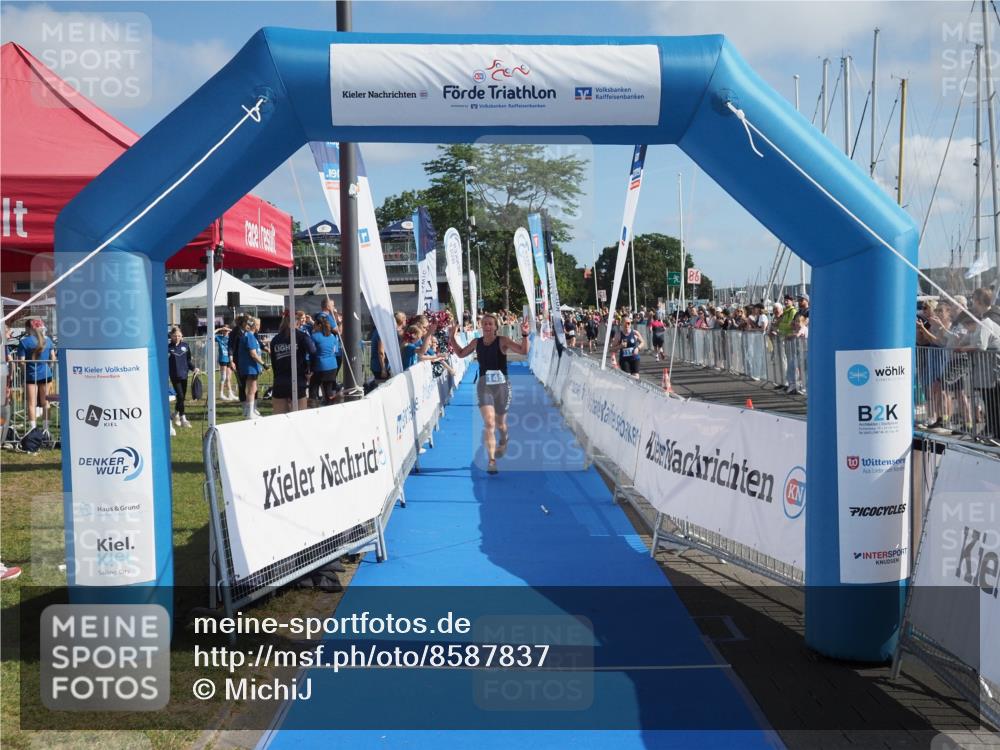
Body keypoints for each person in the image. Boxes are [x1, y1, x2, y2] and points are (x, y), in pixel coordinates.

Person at [449, 312, 531, 475]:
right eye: (484, 323)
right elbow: (460, 354)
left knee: (500, 424)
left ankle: (504, 437)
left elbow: (523, 351)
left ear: (495, 327)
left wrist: (525, 334)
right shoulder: (476, 342)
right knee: (489, 424)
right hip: (484, 385)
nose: (487, 326)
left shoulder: (503, 341)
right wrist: (452, 337)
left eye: (490, 324)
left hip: (502, 386)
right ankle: (491, 460)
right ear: (481, 326)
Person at [270, 313, 316, 414]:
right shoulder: (302, 336)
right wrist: (310, 369)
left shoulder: (275, 339)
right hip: (298, 380)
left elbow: (273, 362)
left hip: (280, 381)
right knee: (300, 417)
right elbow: (313, 352)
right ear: (297, 323)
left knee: (279, 418)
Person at [16, 319, 55, 435]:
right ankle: (46, 430)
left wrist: (24, 371)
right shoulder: (48, 341)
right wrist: (48, 366)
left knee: (31, 404)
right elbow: (52, 358)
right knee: (46, 403)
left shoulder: (24, 342)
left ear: (29, 329)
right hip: (46, 375)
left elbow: (21, 362)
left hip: (31, 375)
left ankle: (33, 429)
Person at [167, 327, 198, 428]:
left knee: (182, 398)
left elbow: (188, 360)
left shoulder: (185, 346)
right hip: (174, 375)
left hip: (184, 374)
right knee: (180, 396)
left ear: (182, 336)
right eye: (175, 335)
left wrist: (194, 368)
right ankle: (183, 418)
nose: (177, 337)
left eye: (179, 335)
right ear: (171, 336)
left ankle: (175, 414)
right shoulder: (167, 348)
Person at [237, 317, 265, 418]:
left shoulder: (251, 336)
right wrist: (264, 364)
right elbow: (253, 354)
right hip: (250, 367)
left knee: (253, 388)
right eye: (258, 324)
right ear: (254, 326)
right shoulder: (249, 336)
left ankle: (251, 410)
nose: (259, 326)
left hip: (253, 367)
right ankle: (249, 413)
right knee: (251, 389)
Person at [310, 315, 342, 405]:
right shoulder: (331, 336)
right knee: (328, 388)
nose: (313, 326)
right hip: (333, 366)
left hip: (321, 366)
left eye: (315, 324)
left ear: (319, 325)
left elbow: (311, 351)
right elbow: (335, 350)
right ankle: (331, 405)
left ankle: (312, 405)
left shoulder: (314, 336)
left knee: (313, 386)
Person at [215, 325, 236, 401]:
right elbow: (210, 335)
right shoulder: (219, 337)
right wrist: (219, 329)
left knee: (228, 378)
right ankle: (221, 394)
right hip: (223, 359)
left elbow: (236, 332)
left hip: (230, 359)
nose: (225, 332)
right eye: (224, 331)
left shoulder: (231, 337)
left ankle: (230, 394)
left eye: (226, 331)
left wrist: (228, 329)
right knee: (223, 377)